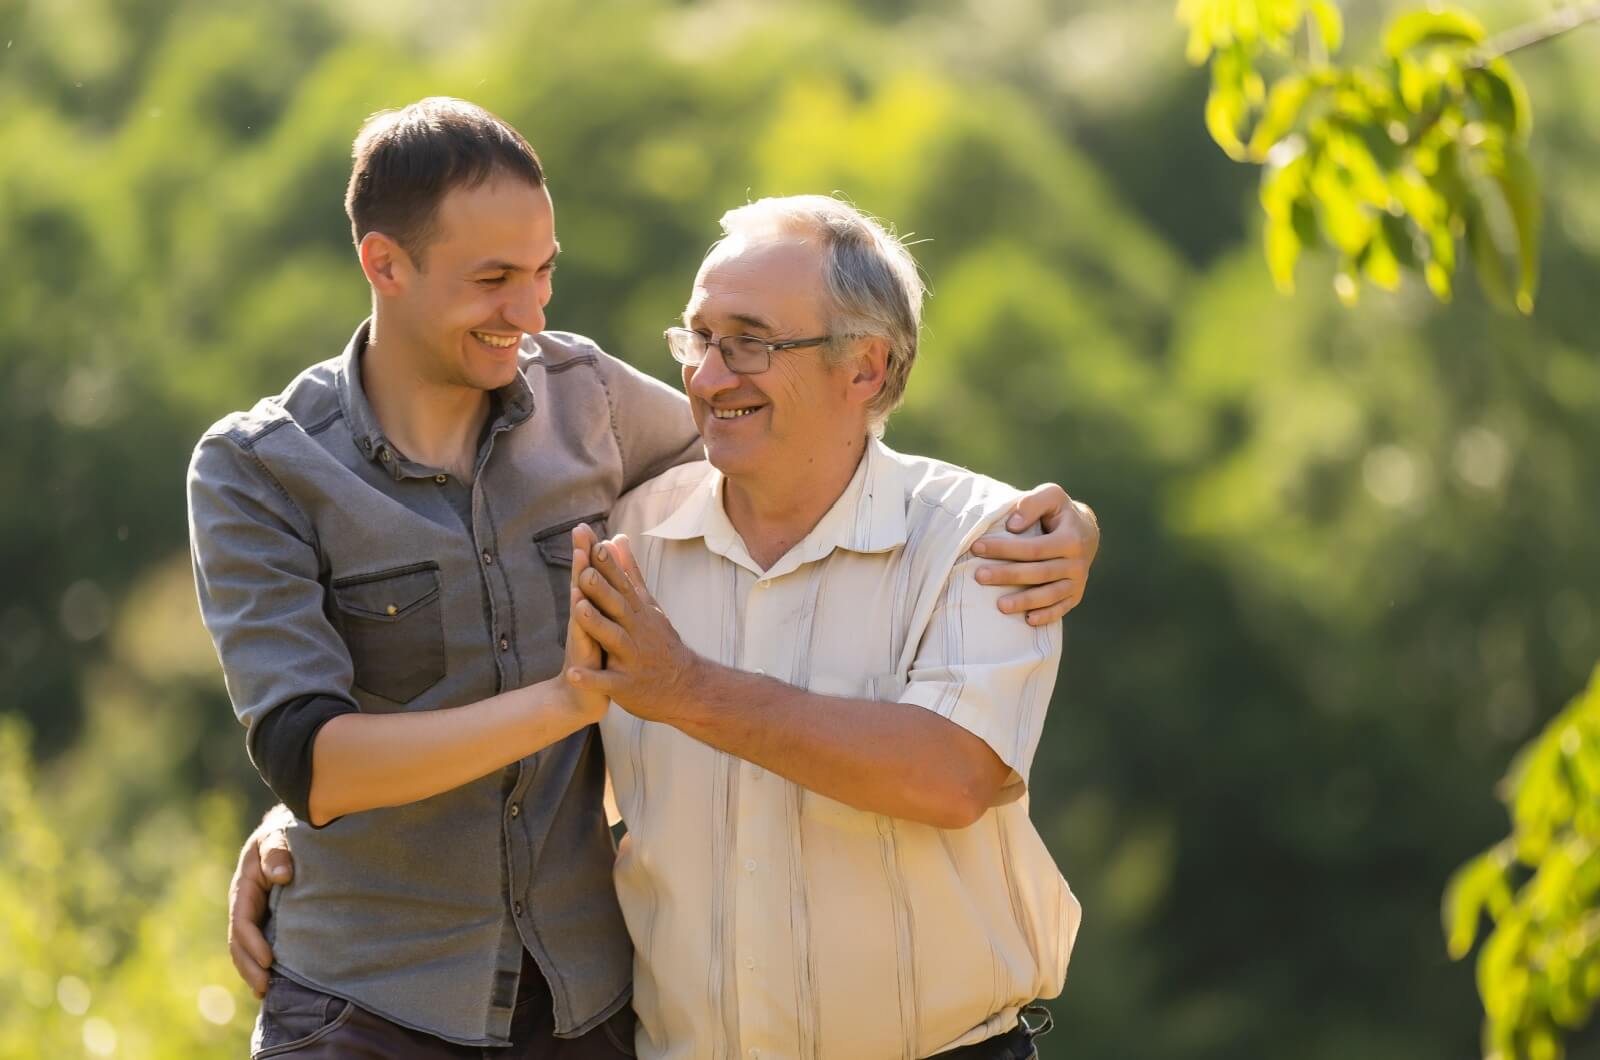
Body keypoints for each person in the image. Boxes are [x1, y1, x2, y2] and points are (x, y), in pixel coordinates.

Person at [196, 99, 1097, 1058]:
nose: (530, 315)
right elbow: (325, 748)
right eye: (494, 279)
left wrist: (1066, 528)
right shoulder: (278, 470)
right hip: (375, 1007)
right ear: (385, 264)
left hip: (605, 1012)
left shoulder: (592, 404)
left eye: (542, 275)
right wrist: (312, 804)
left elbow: (804, 450)